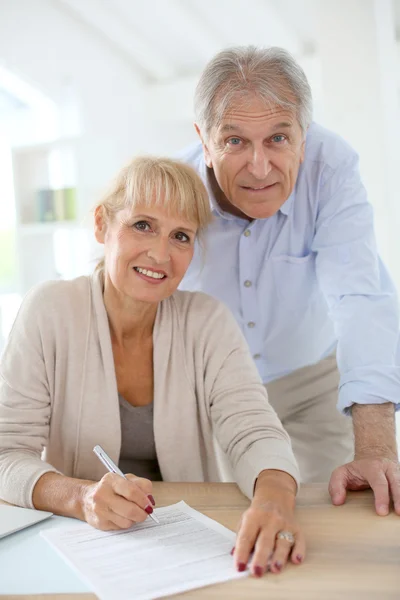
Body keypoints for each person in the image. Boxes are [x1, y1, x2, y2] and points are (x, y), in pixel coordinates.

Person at [0, 156, 304, 577]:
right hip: (75, 544)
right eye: (142, 225)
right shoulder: (48, 310)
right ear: (102, 224)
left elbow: (254, 431)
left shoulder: (207, 321)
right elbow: (7, 455)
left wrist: (274, 503)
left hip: (185, 546)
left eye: (181, 236)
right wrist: (82, 497)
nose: (160, 253)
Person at [179, 46, 400, 516]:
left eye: (278, 138)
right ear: (204, 139)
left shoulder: (332, 168)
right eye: (234, 141)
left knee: (343, 516)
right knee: (228, 523)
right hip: (215, 389)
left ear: (305, 135)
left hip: (313, 379)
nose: (259, 167)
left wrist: (378, 448)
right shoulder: (176, 186)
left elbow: (359, 296)